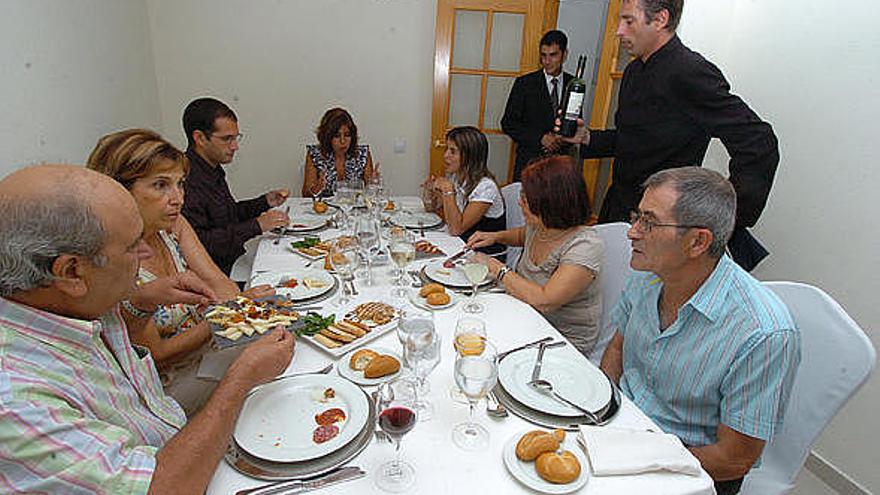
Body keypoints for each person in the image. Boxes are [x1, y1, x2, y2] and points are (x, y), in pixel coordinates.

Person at [0, 165, 295, 494]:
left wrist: (137, 302)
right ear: (71, 272)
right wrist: (241, 378)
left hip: (177, 438)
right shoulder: (17, 402)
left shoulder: (78, 304)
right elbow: (161, 488)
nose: (145, 253)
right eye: (131, 246)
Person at [600, 167, 800, 495]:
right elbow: (617, 349)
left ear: (697, 241)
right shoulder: (647, 275)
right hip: (625, 429)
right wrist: (605, 413)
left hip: (688, 466)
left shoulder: (763, 332)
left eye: (648, 222)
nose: (632, 232)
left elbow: (733, 460)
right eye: (636, 216)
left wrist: (638, 459)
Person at [562, 0, 779, 270]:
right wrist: (587, 138)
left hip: (664, 223)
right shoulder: (633, 71)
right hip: (620, 206)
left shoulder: (689, 71)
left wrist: (722, 214)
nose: (619, 31)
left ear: (660, 19)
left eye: (629, 21)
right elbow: (633, 139)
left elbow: (759, 142)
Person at [87, 128, 275, 415]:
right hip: (166, 386)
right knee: (273, 368)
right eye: (160, 185)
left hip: (208, 346)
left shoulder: (172, 226)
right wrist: (227, 316)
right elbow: (158, 356)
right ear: (118, 192)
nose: (178, 198)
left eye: (180, 184)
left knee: (281, 336)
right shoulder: (115, 261)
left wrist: (237, 308)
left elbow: (219, 282)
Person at [468, 156, 603, 354]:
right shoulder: (540, 225)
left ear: (552, 202)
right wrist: (495, 236)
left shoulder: (585, 245)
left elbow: (545, 300)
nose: (520, 203)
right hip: (524, 316)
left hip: (558, 339)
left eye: (526, 199)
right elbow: (523, 235)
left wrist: (496, 267)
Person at [181, 97, 291, 274]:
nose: (235, 146)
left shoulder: (212, 167)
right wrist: (256, 225)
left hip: (234, 260)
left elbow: (229, 215)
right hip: (219, 272)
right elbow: (200, 243)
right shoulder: (186, 180)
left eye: (236, 138)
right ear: (200, 138)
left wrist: (264, 202)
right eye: (227, 139)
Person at [501, 29, 574, 181]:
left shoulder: (573, 85)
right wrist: (540, 138)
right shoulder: (525, 84)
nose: (547, 61)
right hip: (529, 164)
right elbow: (508, 123)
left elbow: (574, 122)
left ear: (564, 54)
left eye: (553, 55)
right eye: (543, 55)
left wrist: (563, 139)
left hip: (560, 167)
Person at [423, 126, 506, 256]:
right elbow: (431, 208)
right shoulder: (456, 177)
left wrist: (447, 189)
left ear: (470, 156)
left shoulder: (486, 187)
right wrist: (429, 190)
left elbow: (456, 229)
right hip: (461, 245)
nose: (445, 156)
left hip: (485, 257)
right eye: (446, 149)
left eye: (453, 151)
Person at [301, 107, 375, 197]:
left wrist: (373, 183)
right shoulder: (315, 154)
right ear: (327, 137)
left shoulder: (363, 154)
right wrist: (317, 188)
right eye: (337, 136)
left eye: (347, 135)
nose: (343, 141)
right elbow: (305, 195)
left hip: (353, 209)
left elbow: (371, 196)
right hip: (326, 209)